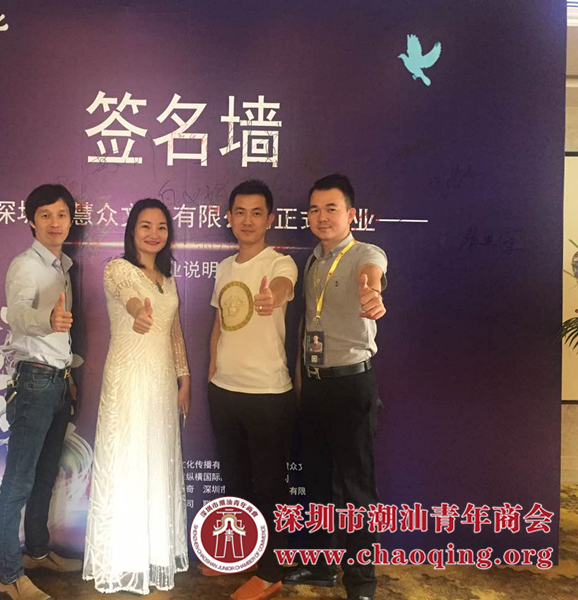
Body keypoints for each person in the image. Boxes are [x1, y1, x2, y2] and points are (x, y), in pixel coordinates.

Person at [283, 174, 387, 600]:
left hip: (351, 384)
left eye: (331, 208)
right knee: (318, 481)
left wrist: (372, 291)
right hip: (314, 386)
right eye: (314, 209)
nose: (322, 217)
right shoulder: (311, 261)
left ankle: (361, 582)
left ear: (351, 214)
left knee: (357, 488)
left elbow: (372, 274)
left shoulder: (365, 253)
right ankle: (322, 565)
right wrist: (300, 380)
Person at [83, 198, 190, 594]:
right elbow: (128, 294)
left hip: (162, 382)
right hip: (128, 379)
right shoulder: (117, 269)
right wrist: (137, 312)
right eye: (146, 225)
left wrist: (184, 378)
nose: (154, 234)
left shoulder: (168, 278)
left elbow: (174, 332)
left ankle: (155, 552)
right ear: (132, 230)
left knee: (158, 460)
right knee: (126, 460)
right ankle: (122, 559)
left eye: (161, 227)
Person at [207, 179, 297, 600]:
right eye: (240, 212)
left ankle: (272, 570)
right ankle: (242, 554)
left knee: (270, 485)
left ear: (270, 219)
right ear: (228, 217)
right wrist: (212, 372)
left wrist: (271, 299)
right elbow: (219, 324)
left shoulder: (280, 263)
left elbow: (283, 288)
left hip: (268, 394)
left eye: (256, 213)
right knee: (236, 480)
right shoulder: (224, 268)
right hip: (224, 391)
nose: (247, 220)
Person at [0, 184, 82, 600]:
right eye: (45, 215)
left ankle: (38, 552)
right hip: (33, 382)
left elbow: (61, 333)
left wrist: (69, 374)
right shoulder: (25, 265)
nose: (54, 223)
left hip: (58, 381)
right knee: (19, 482)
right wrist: (48, 319)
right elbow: (16, 315)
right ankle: (9, 575)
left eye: (61, 214)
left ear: (71, 220)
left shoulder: (61, 265)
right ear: (31, 221)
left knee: (45, 476)